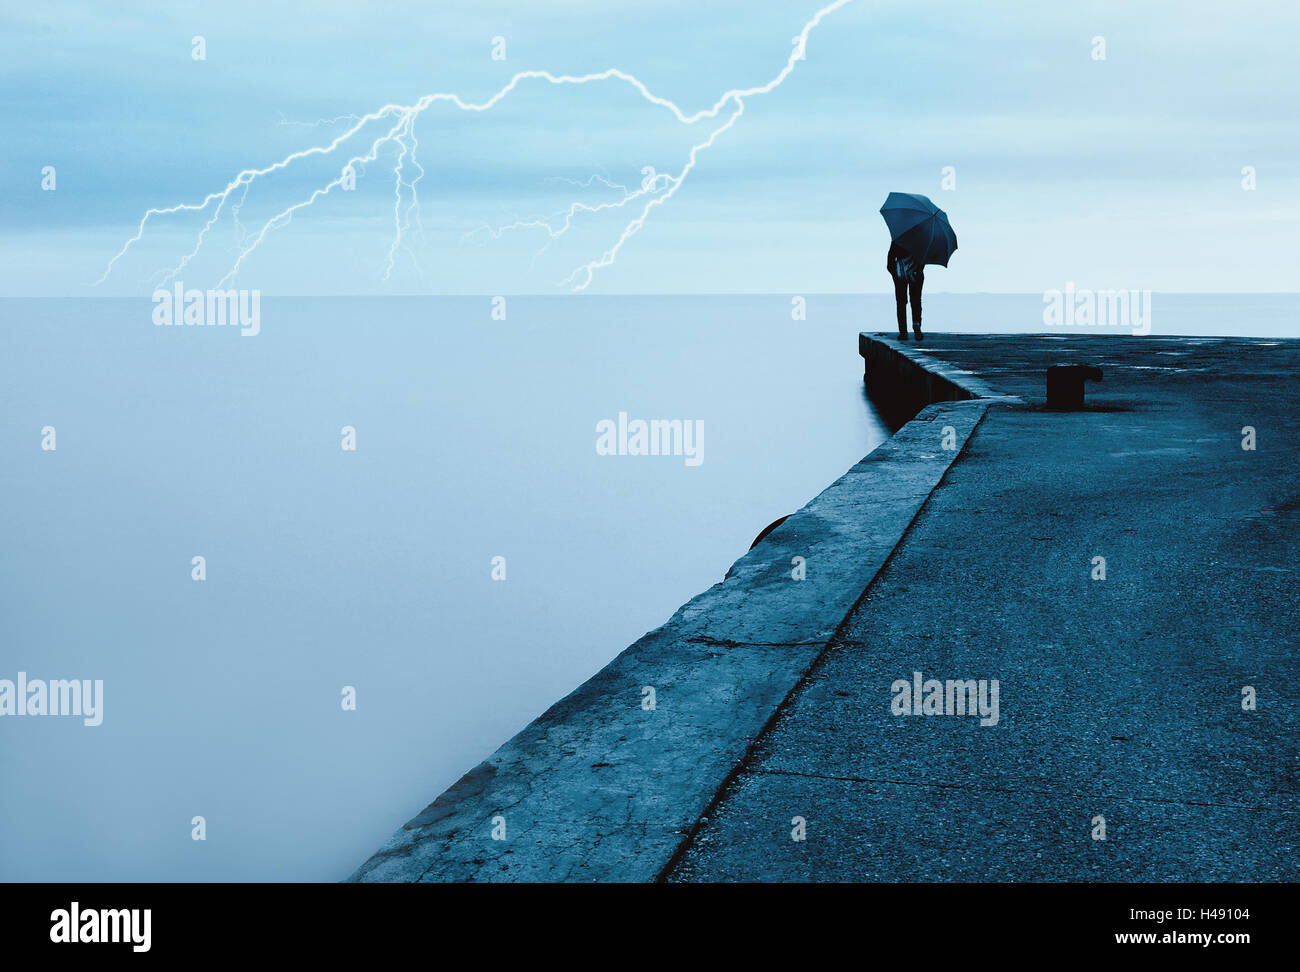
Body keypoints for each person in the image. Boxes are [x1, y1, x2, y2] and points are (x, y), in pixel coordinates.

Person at [887, 241, 923, 341]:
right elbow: (923, 261)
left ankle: (903, 332)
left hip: (900, 274)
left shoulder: (898, 239)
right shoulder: (921, 241)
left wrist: (897, 273)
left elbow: (889, 263)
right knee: (916, 301)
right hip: (916, 273)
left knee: (901, 303)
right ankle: (917, 326)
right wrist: (915, 270)